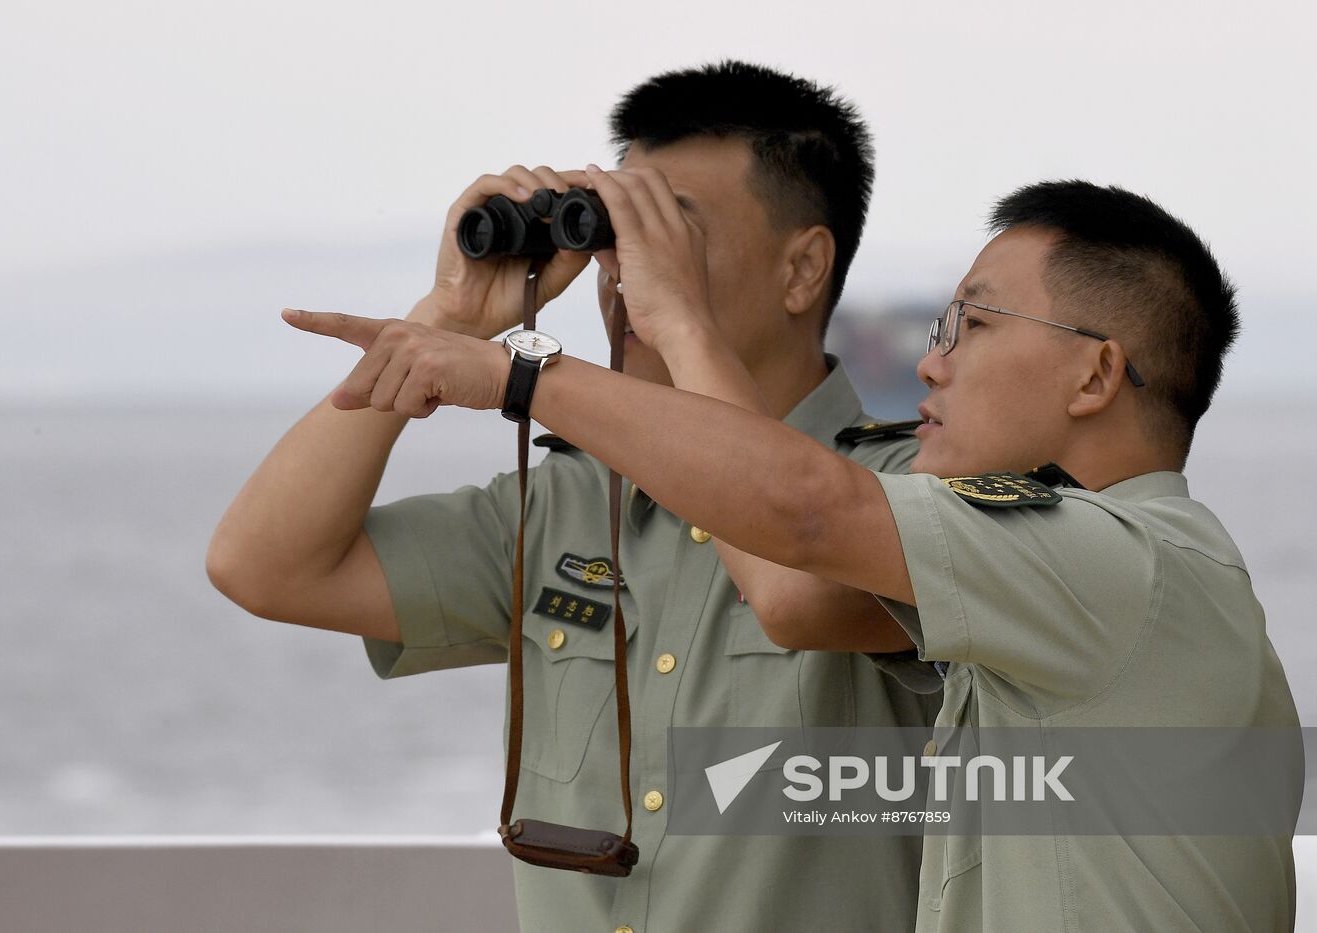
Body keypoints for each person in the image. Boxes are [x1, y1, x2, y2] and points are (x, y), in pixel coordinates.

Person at [314, 177, 1301, 932]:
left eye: (974, 324)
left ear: (1094, 374)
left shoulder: (1116, 559)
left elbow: (804, 516)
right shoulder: (1100, 573)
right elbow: (790, 573)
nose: (930, 359)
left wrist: (527, 373)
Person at [208, 61, 942, 932]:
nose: (625, 273)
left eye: (668, 232)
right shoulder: (565, 504)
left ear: (802, 269)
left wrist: (674, 321)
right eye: (615, 234)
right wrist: (446, 317)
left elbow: (795, 577)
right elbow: (262, 566)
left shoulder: (911, 501)